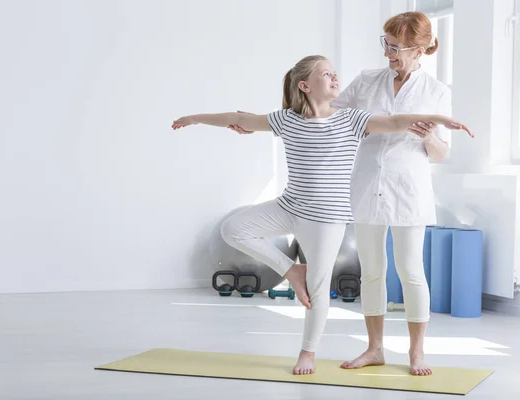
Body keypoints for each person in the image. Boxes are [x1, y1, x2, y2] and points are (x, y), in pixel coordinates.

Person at [172, 55, 472, 375]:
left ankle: (308, 353)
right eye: (326, 74)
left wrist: (439, 119)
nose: (334, 78)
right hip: (290, 206)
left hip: (327, 218)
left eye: (334, 73)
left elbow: (396, 121)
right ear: (305, 85)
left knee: (318, 289)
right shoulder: (286, 119)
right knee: (233, 228)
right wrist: (195, 118)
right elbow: (241, 119)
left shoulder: (351, 119)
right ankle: (292, 270)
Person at [330, 12, 454, 376]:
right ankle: (375, 349)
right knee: (371, 271)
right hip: (368, 184)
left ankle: (416, 353)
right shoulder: (368, 81)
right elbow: (332, 118)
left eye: (396, 47)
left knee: (411, 270)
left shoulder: (437, 92)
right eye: (385, 43)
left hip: (409, 189)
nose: (388, 53)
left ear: (419, 50)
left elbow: (441, 153)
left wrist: (428, 135)